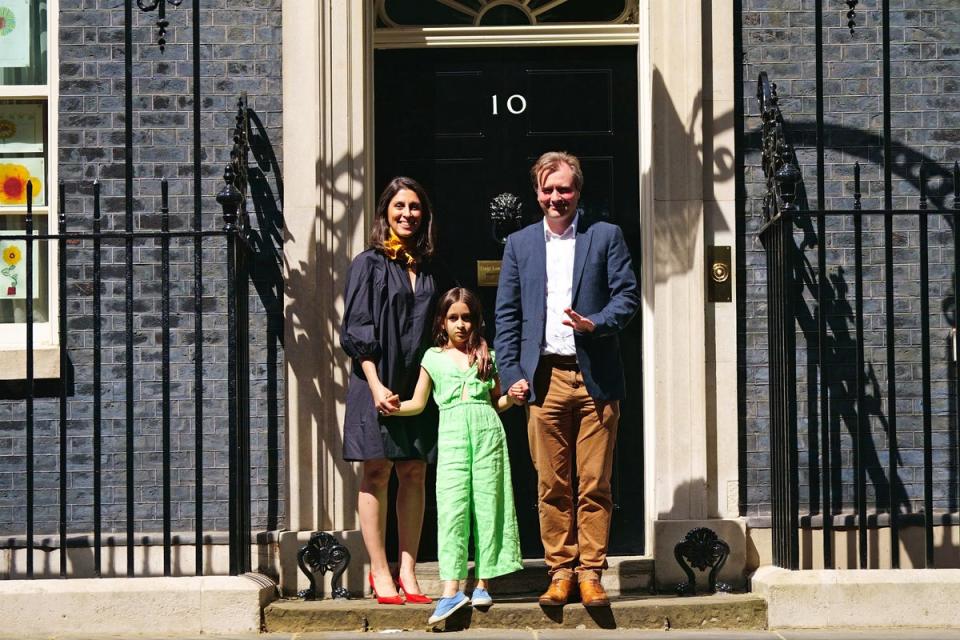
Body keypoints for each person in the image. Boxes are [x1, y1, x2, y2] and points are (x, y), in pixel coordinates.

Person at [494, 151, 639, 607]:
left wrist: (594, 323)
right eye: (548, 189)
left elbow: (628, 297)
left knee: (595, 481)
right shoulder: (519, 245)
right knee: (551, 483)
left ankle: (591, 572)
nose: (557, 197)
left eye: (565, 189)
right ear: (537, 192)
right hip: (546, 378)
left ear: (578, 191)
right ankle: (560, 570)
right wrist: (512, 374)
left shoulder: (605, 236)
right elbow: (508, 316)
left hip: (595, 376)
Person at [340, 176, 450, 605]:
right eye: (400, 206)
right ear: (385, 211)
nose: (408, 214)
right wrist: (375, 383)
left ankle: (408, 569)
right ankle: (379, 570)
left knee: (415, 471)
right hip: (376, 380)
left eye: (415, 207)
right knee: (376, 471)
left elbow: (440, 327)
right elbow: (356, 327)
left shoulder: (430, 268)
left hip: (416, 384)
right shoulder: (368, 263)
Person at [392, 287, 523, 624]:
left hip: (488, 433)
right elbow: (418, 403)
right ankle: (451, 590)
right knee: (452, 509)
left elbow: (498, 401)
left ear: (475, 321)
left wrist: (515, 396)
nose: (461, 324)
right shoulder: (432, 358)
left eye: (466, 318)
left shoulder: (486, 355)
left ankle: (482, 583)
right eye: (454, 318)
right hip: (451, 436)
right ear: (443, 321)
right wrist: (391, 408)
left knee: (488, 505)